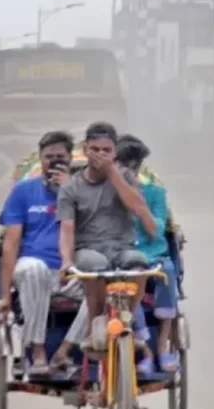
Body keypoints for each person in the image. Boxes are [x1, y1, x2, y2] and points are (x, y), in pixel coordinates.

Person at [56, 122, 157, 352]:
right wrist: (66, 261)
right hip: (88, 248)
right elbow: (67, 229)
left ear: (114, 152)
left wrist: (113, 173)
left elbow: (138, 208)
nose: (101, 155)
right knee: (95, 267)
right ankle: (94, 329)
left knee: (139, 264)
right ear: (85, 149)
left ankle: (128, 320)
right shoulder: (71, 188)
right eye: (95, 149)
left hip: (122, 247)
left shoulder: (126, 177)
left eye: (107, 150)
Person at [0, 131, 85, 375]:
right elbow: (10, 244)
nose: (54, 161)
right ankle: (38, 351)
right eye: (48, 157)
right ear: (40, 159)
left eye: (60, 157)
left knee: (106, 288)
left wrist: (69, 191)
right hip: (33, 268)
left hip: (71, 273)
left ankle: (64, 350)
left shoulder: (83, 190)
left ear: (70, 159)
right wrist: (4, 295)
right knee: (35, 271)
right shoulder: (23, 192)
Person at [116, 134, 183, 372]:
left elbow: (156, 230)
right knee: (131, 275)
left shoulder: (155, 193)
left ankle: (163, 346)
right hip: (120, 256)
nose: (130, 169)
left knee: (167, 271)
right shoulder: (104, 192)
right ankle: (144, 348)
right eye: (124, 164)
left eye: (135, 164)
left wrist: (137, 199)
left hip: (153, 254)